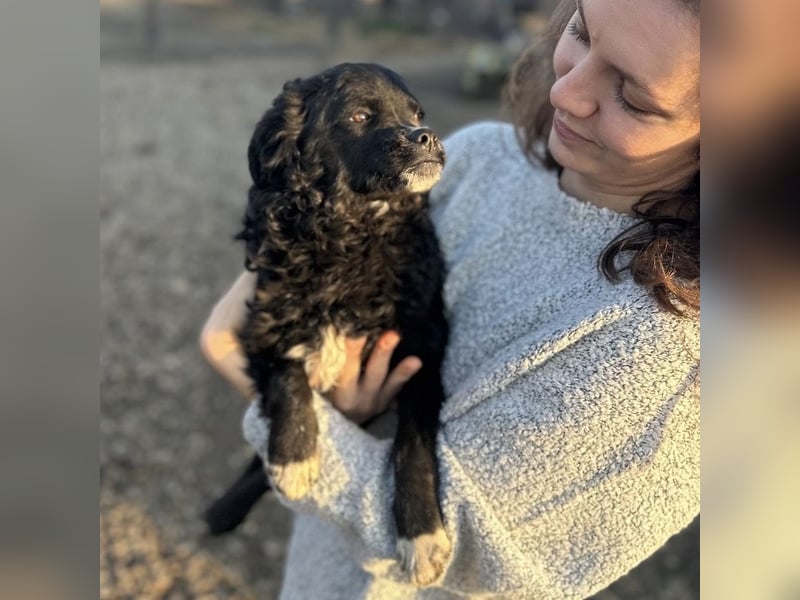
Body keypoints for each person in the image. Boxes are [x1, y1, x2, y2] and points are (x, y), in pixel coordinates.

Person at [199, 0, 700, 597]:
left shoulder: (681, 352)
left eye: (635, 98)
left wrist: (302, 409)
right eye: (581, 32)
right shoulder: (479, 156)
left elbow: (476, 551)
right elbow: (286, 265)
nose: (566, 91)